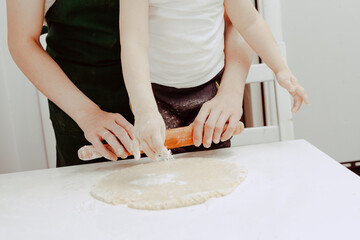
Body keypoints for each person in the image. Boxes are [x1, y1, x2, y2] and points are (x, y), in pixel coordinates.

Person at [6, 0, 254, 165]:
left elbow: (238, 19)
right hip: (92, 112)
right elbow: (22, 41)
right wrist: (88, 114)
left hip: (179, 105)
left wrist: (231, 92)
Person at [120, 0, 310, 159]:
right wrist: (145, 111)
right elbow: (133, 42)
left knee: (214, 169)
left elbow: (249, 22)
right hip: (155, 97)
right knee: (162, 176)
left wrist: (280, 68)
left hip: (210, 93)